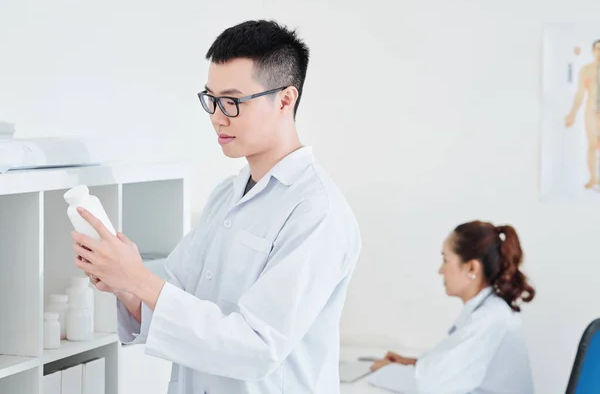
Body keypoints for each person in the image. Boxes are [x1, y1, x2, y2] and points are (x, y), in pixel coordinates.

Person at [70, 20, 361, 394]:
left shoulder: (318, 212)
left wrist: (139, 279)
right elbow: (176, 295)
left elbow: (257, 347)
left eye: (233, 102)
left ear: (285, 100)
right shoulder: (227, 193)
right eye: (211, 99)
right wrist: (124, 285)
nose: (217, 117)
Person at [370, 221, 535, 394]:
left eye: (445, 260)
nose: (440, 270)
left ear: (472, 267)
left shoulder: (489, 318)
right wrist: (413, 363)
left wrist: (381, 370)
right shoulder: (489, 310)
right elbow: (454, 365)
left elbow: (426, 385)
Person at [565, 39, 600, 189]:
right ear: (593, 51)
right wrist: (572, 113)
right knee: (592, 145)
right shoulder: (586, 70)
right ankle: (593, 178)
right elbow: (580, 94)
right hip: (591, 113)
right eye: (598, 48)